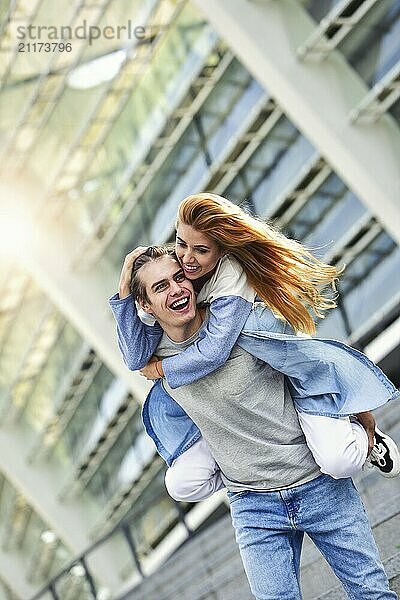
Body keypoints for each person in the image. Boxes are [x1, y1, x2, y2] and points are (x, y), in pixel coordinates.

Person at [120, 247, 398, 600]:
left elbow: (309, 365)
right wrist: (126, 273)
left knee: (372, 593)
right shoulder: (154, 355)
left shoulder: (240, 324)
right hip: (253, 507)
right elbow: (129, 348)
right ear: (145, 306)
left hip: (317, 483)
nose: (177, 289)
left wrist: (362, 416)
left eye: (179, 278)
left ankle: (363, 441)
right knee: (180, 483)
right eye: (160, 287)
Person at [109, 194, 400, 493]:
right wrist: (123, 293)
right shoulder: (177, 274)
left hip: (291, 375)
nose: (187, 258)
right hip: (246, 405)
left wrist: (161, 368)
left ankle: (366, 433)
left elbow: (213, 351)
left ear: (222, 250)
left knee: (340, 462)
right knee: (182, 484)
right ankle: (250, 468)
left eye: (201, 250)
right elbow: (134, 358)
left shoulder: (231, 275)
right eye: (181, 244)